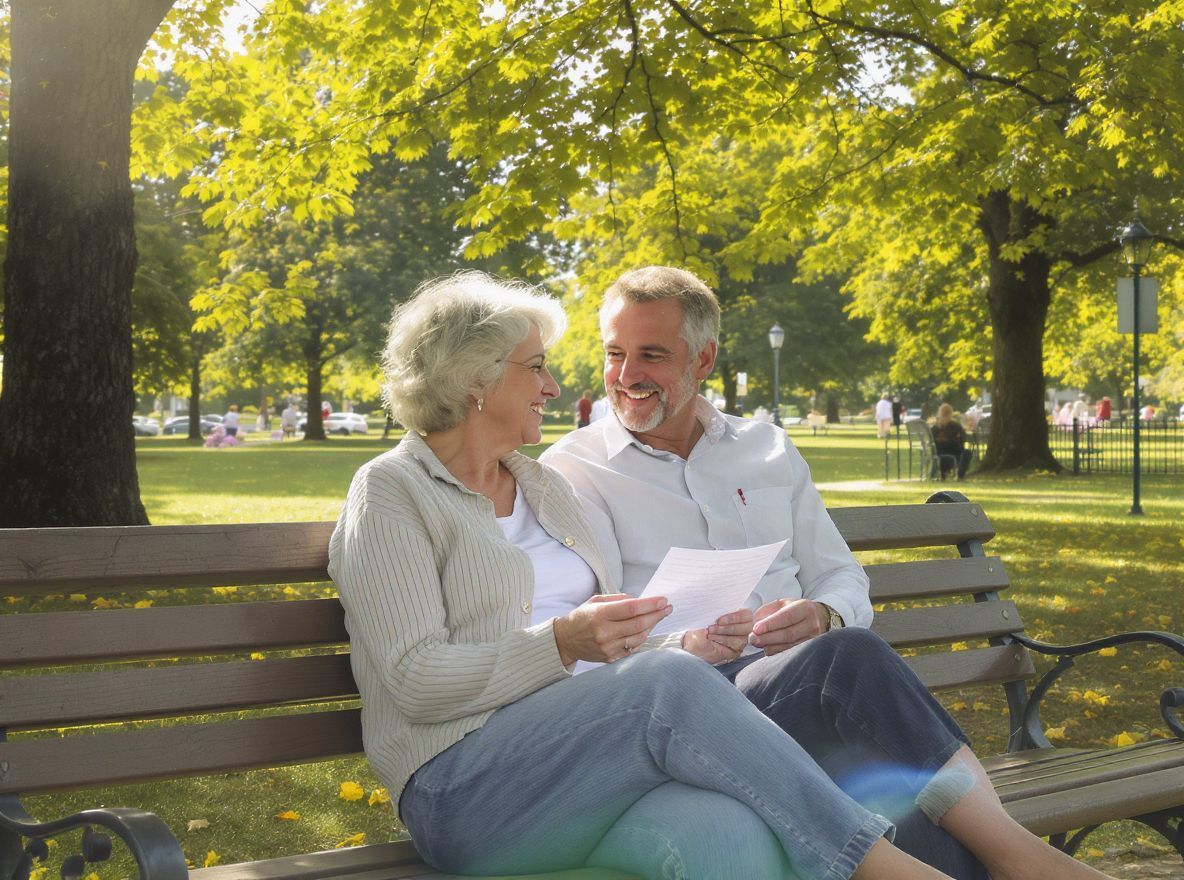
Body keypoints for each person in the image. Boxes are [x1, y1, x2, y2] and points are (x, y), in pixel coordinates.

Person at [327, 271, 1033, 880]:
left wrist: (678, 648)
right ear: (475, 381)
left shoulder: (541, 486)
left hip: (597, 763)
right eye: (534, 367)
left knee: (728, 836)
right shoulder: (392, 490)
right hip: (467, 787)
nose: (553, 384)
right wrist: (567, 645)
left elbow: (608, 653)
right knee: (669, 686)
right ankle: (890, 870)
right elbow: (413, 678)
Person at [543, 265, 1116, 880]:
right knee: (849, 659)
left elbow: (842, 577)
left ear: (702, 359)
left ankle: (1001, 858)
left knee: (899, 805)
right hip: (694, 706)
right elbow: (585, 638)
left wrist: (822, 613)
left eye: (651, 355)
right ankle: (1021, 856)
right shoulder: (574, 470)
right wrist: (685, 642)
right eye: (615, 353)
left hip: (811, 694)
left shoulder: (766, 448)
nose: (627, 376)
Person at [930, 403, 972, 481]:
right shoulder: (935, 428)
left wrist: (958, 439)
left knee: (967, 453)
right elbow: (933, 443)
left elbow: (962, 438)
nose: (946, 417)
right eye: (944, 415)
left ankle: (960, 475)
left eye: (947, 415)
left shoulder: (955, 426)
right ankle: (946, 474)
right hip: (941, 453)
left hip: (955, 451)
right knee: (946, 458)